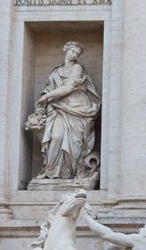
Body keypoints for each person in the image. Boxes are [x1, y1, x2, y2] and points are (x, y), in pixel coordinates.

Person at [32, 41, 101, 180]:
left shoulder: (77, 68)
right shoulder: (56, 71)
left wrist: (46, 97)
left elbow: (68, 88)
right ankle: (50, 171)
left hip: (77, 107)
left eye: (77, 53)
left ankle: (69, 173)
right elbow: (50, 88)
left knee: (74, 143)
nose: (74, 54)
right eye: (72, 51)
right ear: (65, 49)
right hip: (59, 108)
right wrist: (44, 100)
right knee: (56, 137)